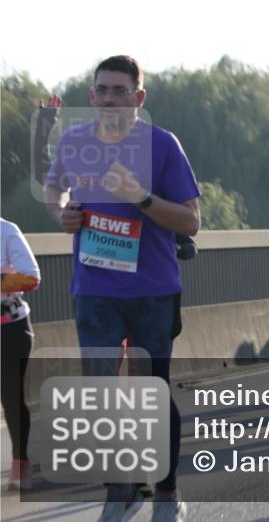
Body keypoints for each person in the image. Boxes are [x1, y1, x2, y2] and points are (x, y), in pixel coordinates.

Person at [44, 55, 200, 520]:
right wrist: (62, 215)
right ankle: (122, 485)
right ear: (91, 97)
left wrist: (142, 199)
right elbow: (55, 193)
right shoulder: (73, 142)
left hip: (152, 288)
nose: (109, 98)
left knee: (150, 387)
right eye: (102, 90)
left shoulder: (161, 145)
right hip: (94, 287)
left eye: (119, 90)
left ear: (139, 97)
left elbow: (192, 221)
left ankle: (167, 485)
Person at [2, 219, 40, 491]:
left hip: (10, 329)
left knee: (11, 396)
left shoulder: (6, 231)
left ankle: (20, 463)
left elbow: (31, 277)